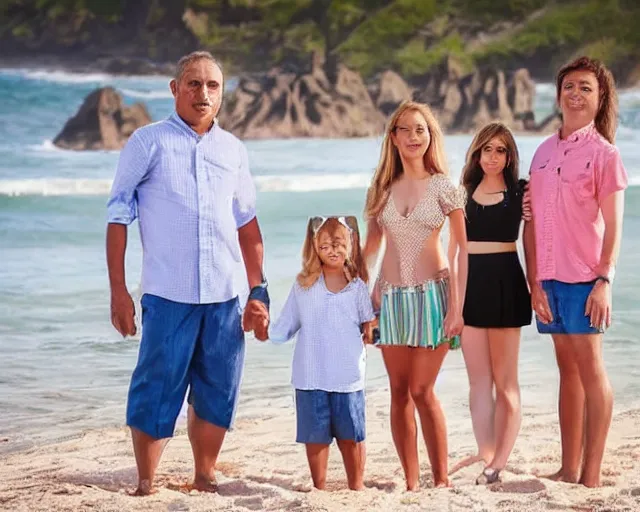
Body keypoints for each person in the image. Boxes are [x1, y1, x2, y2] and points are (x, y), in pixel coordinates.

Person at [106, 51, 270, 496]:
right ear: (175, 89)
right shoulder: (147, 142)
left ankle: (205, 474)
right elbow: (118, 216)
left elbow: (247, 224)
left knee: (218, 388)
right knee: (156, 386)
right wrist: (119, 291)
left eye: (212, 85)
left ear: (222, 93)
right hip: (168, 292)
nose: (203, 93)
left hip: (226, 294)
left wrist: (260, 290)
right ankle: (146, 480)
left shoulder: (233, 150)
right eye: (193, 84)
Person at [523, 56, 628, 488]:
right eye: (569, 86)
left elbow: (615, 224)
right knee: (566, 371)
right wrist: (533, 282)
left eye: (586, 87)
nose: (576, 94)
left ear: (599, 97)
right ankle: (568, 467)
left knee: (591, 369)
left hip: (585, 278)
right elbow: (530, 220)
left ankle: (592, 473)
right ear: (558, 93)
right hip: (548, 279)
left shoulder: (605, 154)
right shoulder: (543, 152)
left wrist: (604, 281)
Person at [363, 101, 467, 490]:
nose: (413, 137)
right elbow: (370, 250)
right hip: (390, 300)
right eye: (404, 130)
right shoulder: (382, 188)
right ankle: (410, 483)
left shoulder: (444, 187)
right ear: (393, 137)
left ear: (430, 136)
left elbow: (460, 251)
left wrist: (457, 307)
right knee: (398, 392)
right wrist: (361, 299)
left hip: (433, 298)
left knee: (423, 391)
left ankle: (440, 480)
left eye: (420, 129)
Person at [263, 216, 375, 491]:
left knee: (351, 435)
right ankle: (319, 487)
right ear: (315, 248)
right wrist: (265, 328)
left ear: (350, 246)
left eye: (338, 245)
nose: (332, 251)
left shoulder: (357, 287)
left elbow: (369, 325)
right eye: (325, 246)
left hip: (348, 374)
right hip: (310, 373)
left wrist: (376, 330)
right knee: (315, 436)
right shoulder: (303, 286)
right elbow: (285, 325)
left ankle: (356, 486)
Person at [457, 122, 532, 485]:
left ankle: (499, 462)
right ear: (477, 153)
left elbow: (534, 241)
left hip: (506, 284)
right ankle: (487, 456)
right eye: (487, 149)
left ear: (509, 156)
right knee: (478, 383)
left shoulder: (522, 192)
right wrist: (453, 304)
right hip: (471, 288)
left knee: (505, 384)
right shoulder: (463, 192)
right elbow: (455, 251)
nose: (492, 156)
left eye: (500, 150)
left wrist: (539, 287)